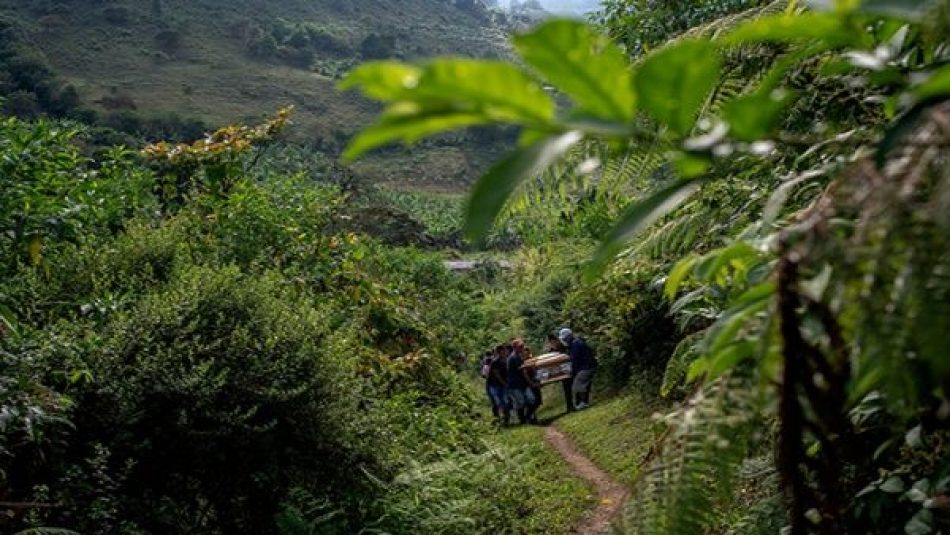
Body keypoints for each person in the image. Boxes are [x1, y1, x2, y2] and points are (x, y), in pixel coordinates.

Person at [559, 328, 597, 409]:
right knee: (580, 384)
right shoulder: (574, 344)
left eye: (564, 338)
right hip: (585, 366)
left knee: (578, 385)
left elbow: (575, 360)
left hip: (587, 367)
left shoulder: (576, 344)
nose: (564, 340)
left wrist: (572, 372)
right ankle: (583, 402)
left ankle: (583, 402)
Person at [505, 340, 535, 425]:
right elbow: (523, 371)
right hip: (515, 384)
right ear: (514, 348)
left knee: (531, 400)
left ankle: (527, 417)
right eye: (520, 347)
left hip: (522, 383)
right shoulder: (513, 358)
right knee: (521, 402)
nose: (522, 348)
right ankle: (523, 420)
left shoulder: (518, 356)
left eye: (522, 346)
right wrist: (531, 382)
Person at [547, 332, 574, 413]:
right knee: (567, 389)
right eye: (551, 342)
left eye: (553, 341)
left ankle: (574, 404)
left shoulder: (564, 346)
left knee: (572, 387)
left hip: (568, 369)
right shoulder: (552, 349)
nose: (553, 343)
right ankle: (570, 406)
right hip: (562, 371)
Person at [487, 345, 510, 425]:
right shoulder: (495, 362)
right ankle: (497, 419)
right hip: (494, 384)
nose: (504, 352)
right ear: (498, 352)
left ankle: (506, 419)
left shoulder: (505, 360)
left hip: (501, 384)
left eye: (504, 351)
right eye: (502, 351)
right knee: (497, 402)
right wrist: (504, 383)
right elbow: (497, 375)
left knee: (505, 401)